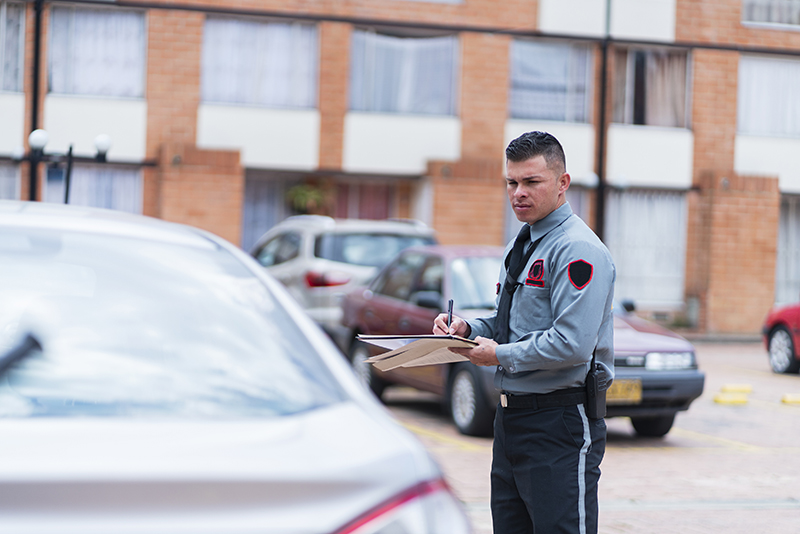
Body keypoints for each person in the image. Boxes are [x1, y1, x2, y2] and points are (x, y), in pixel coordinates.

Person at [433, 131, 615, 534]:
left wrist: (498, 355)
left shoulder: (577, 249)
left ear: (563, 183)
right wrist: (467, 328)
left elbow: (571, 344)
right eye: (512, 182)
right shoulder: (524, 243)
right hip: (511, 420)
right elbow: (509, 324)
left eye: (532, 182)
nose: (518, 193)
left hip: (559, 421)